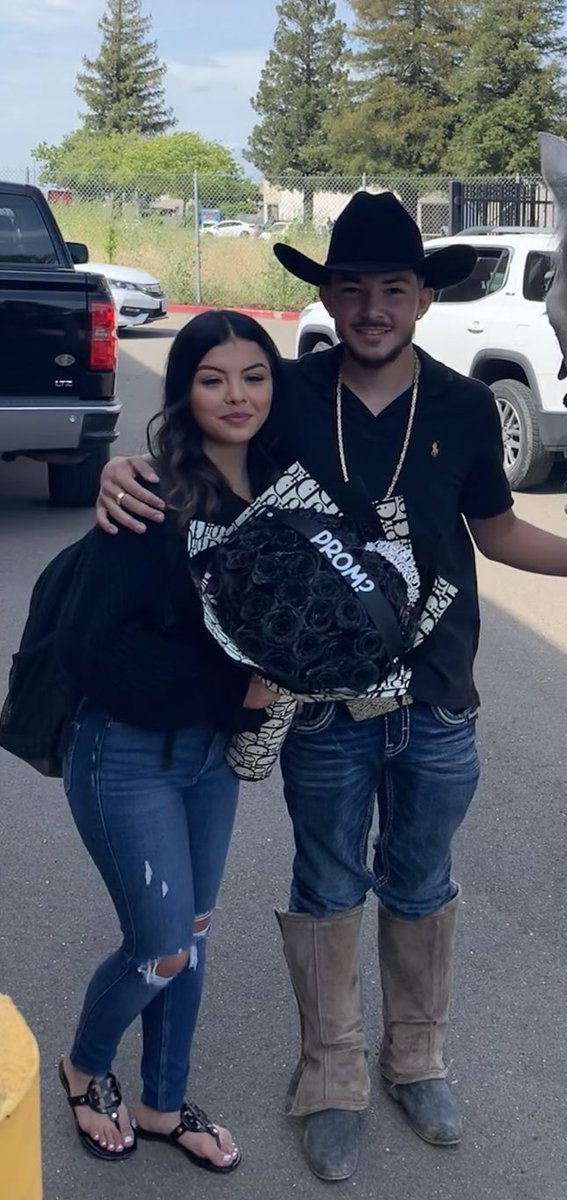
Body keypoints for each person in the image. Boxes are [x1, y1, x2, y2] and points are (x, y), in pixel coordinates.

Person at [95, 191, 567, 1183]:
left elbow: (497, 534)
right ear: (332, 300)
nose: (373, 308)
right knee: (327, 881)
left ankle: (415, 1058)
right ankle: (330, 1074)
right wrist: (126, 470)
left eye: (393, 288)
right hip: (321, 705)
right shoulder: (290, 396)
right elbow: (203, 452)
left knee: (422, 880)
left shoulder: (466, 407)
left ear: (423, 300)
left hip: (438, 695)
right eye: (352, 289)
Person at [57, 310, 283, 1173]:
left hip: (207, 761)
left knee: (193, 931)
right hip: (125, 755)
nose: (237, 395)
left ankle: (160, 1101)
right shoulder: (149, 493)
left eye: (254, 376)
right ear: (183, 391)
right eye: (213, 378)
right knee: (158, 949)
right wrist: (237, 688)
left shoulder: (276, 491)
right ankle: (83, 1066)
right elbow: (94, 650)